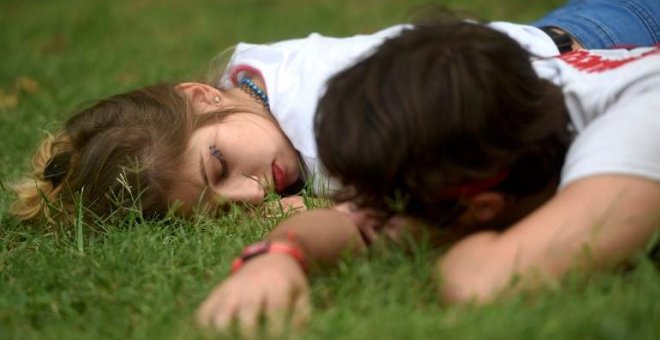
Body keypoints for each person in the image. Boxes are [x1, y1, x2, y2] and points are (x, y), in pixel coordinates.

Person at [196, 19, 660, 334]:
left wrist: (439, 234)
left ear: (484, 207)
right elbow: (348, 222)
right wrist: (278, 255)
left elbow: (481, 281)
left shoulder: (638, 130)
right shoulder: (504, 99)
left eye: (395, 209)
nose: (373, 219)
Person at [8, 1, 660, 224]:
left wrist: (313, 208)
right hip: (577, 37)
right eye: (220, 205)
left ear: (199, 96)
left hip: (603, 46)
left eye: (221, 167)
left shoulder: (324, 122)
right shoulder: (250, 78)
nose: (249, 192)